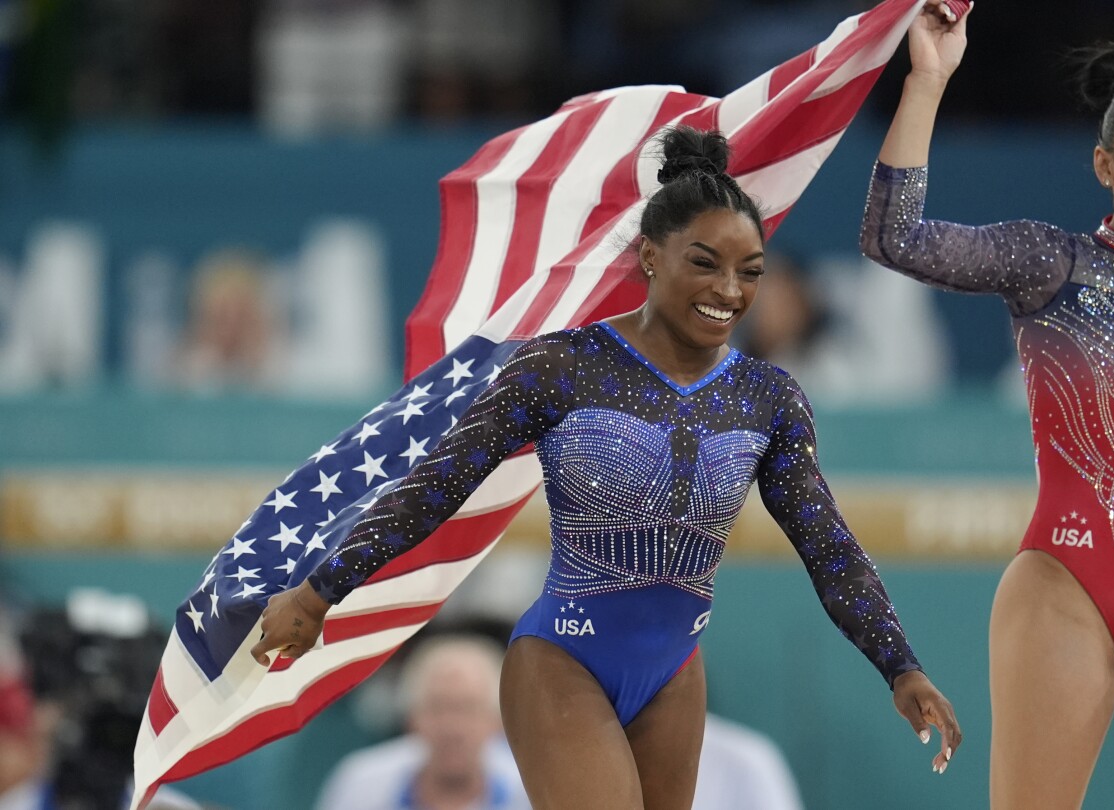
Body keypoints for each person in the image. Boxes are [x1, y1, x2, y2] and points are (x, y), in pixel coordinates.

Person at [251, 125, 962, 810]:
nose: (730, 291)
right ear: (652, 256)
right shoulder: (561, 368)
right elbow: (435, 486)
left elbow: (828, 545)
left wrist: (899, 664)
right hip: (562, 661)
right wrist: (320, 592)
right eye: (705, 263)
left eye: (751, 272)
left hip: (675, 672)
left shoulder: (767, 397)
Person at [859, 3, 1114, 808]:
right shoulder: (1051, 265)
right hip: (1069, 582)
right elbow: (894, 238)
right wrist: (928, 80)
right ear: (1105, 165)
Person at [314, 636, 528, 810]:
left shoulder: (531, 792)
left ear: (498, 721)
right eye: (438, 708)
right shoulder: (361, 785)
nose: (452, 728)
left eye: (467, 709)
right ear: (411, 718)